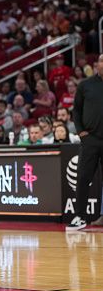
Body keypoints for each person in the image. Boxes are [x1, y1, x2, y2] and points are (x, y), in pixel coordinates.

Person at [66, 54, 103, 231]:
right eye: (102, 60)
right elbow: (76, 111)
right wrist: (81, 133)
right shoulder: (85, 85)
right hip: (91, 140)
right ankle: (79, 216)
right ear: (97, 64)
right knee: (82, 178)